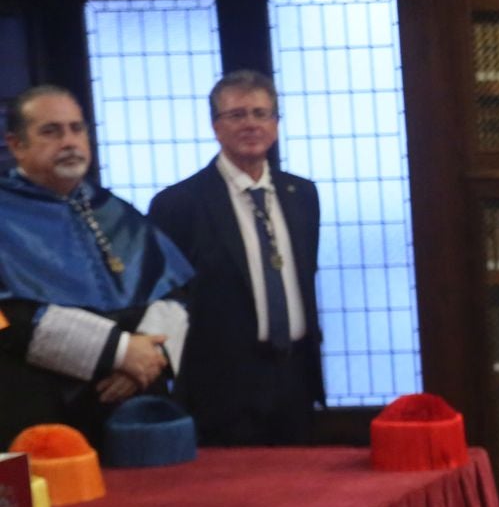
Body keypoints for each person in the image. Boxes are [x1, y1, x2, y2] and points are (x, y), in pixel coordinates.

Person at [0, 85, 193, 445]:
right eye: (51, 131)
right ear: (17, 145)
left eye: (77, 129)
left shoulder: (114, 209)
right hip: (37, 409)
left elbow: (175, 292)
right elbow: (6, 318)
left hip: (132, 407)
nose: (69, 141)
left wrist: (146, 360)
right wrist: (120, 352)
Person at [149, 71, 325, 445]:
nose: (251, 124)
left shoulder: (302, 195)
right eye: (237, 115)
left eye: (261, 114)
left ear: (275, 125)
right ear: (216, 126)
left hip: (294, 377)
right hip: (222, 388)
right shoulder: (178, 205)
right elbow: (164, 298)